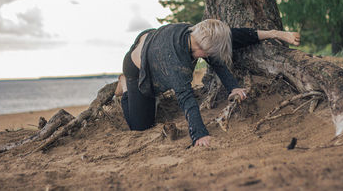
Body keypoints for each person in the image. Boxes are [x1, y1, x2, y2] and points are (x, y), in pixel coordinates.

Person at [114, 19, 300, 147]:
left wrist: (274, 34)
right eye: (208, 52)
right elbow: (186, 99)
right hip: (136, 66)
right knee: (140, 126)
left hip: (152, 39)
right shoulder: (175, 63)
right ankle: (125, 87)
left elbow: (232, 37)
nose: (211, 57)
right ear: (200, 46)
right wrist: (199, 134)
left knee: (218, 44)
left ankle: (275, 33)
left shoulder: (197, 32)